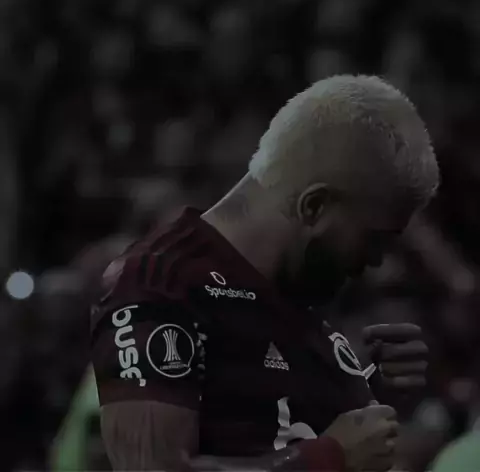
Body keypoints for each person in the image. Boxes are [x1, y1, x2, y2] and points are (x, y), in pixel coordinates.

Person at [91, 75, 437, 471]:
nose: (378, 262)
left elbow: (281, 434)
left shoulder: (300, 299)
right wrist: (328, 459)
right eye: (374, 239)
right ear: (314, 206)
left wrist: (370, 392)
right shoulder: (161, 283)